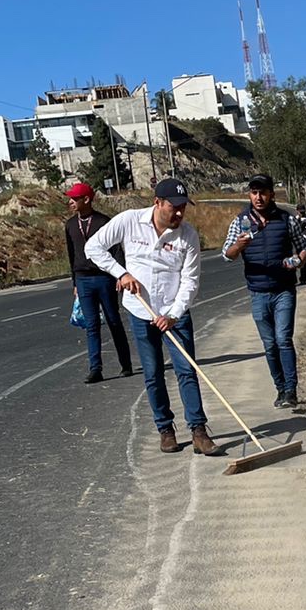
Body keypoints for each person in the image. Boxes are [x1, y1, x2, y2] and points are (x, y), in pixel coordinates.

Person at [84, 178, 219, 456]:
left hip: (174, 312)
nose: (180, 213)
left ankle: (198, 430)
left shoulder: (188, 235)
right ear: (157, 202)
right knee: (153, 373)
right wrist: (121, 273)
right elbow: (93, 248)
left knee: (186, 370)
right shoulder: (129, 221)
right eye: (174, 207)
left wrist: (173, 314)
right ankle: (165, 429)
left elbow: (190, 281)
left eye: (183, 207)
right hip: (140, 310)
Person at [222, 173, 306, 409]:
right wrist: (239, 245)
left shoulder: (286, 220)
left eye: (262, 192)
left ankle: (291, 390)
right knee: (269, 344)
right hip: (258, 293)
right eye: (254, 192)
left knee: (283, 339)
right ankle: (280, 388)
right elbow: (227, 254)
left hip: (283, 290)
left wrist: (297, 261)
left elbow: (305, 248)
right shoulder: (240, 222)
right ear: (249, 195)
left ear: (271, 194)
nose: (258, 197)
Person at [64, 181, 133, 383]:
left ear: (86, 199)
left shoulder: (104, 222)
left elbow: (117, 249)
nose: (71, 202)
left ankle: (125, 364)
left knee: (113, 321)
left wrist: (120, 274)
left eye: (75, 199)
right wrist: (74, 283)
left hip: (105, 278)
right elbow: (71, 255)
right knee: (91, 325)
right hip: (83, 280)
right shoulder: (69, 225)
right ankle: (96, 368)